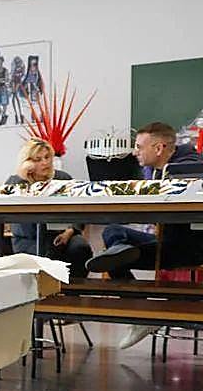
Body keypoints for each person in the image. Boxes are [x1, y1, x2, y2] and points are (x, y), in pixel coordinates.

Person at [86, 121, 203, 347]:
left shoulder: (191, 169)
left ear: (159, 149)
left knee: (110, 257)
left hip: (188, 248)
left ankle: (141, 313)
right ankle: (139, 303)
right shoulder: (154, 172)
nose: (134, 152)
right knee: (112, 233)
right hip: (165, 243)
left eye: (139, 147)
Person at [5, 139, 92, 278]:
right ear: (27, 162)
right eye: (38, 159)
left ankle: (73, 291)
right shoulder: (15, 182)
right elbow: (7, 201)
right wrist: (23, 175)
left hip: (62, 235)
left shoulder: (63, 178)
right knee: (48, 253)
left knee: (81, 248)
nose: (45, 162)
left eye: (47, 157)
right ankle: (48, 293)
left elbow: (79, 209)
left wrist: (70, 231)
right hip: (29, 240)